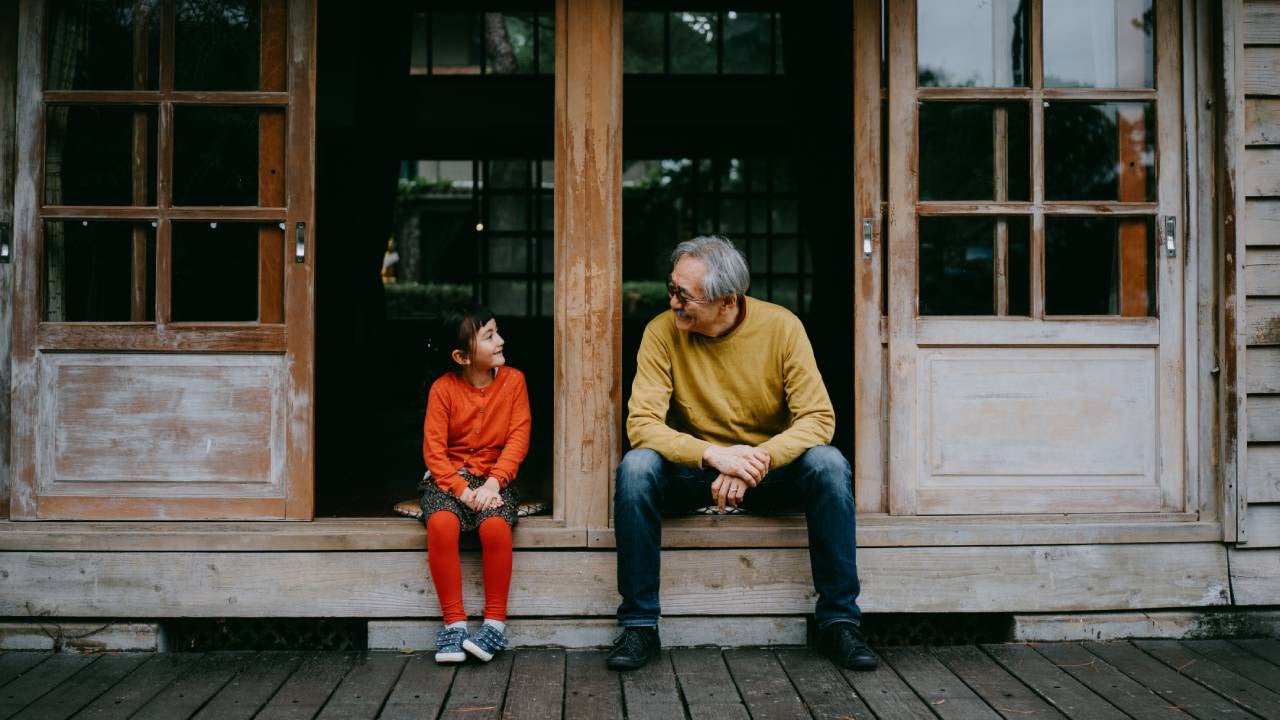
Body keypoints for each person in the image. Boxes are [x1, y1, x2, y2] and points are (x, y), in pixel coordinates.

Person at [607, 235, 875, 672]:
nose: (672, 301)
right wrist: (715, 455)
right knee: (636, 468)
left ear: (726, 300)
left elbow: (818, 419)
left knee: (829, 462)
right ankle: (639, 625)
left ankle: (839, 621)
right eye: (671, 288)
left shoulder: (782, 327)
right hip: (699, 474)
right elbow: (642, 425)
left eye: (684, 295)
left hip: (768, 473)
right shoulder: (660, 332)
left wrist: (755, 459)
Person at [420, 302, 531, 664]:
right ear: (461, 356)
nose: (500, 340)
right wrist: (463, 491)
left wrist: (494, 484)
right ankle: (454, 625)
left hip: (495, 479)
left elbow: (518, 438)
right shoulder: (443, 390)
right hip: (449, 480)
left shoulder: (514, 382)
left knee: (496, 527)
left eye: (497, 332)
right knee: (441, 523)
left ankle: (494, 625)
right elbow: (434, 452)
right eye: (489, 336)